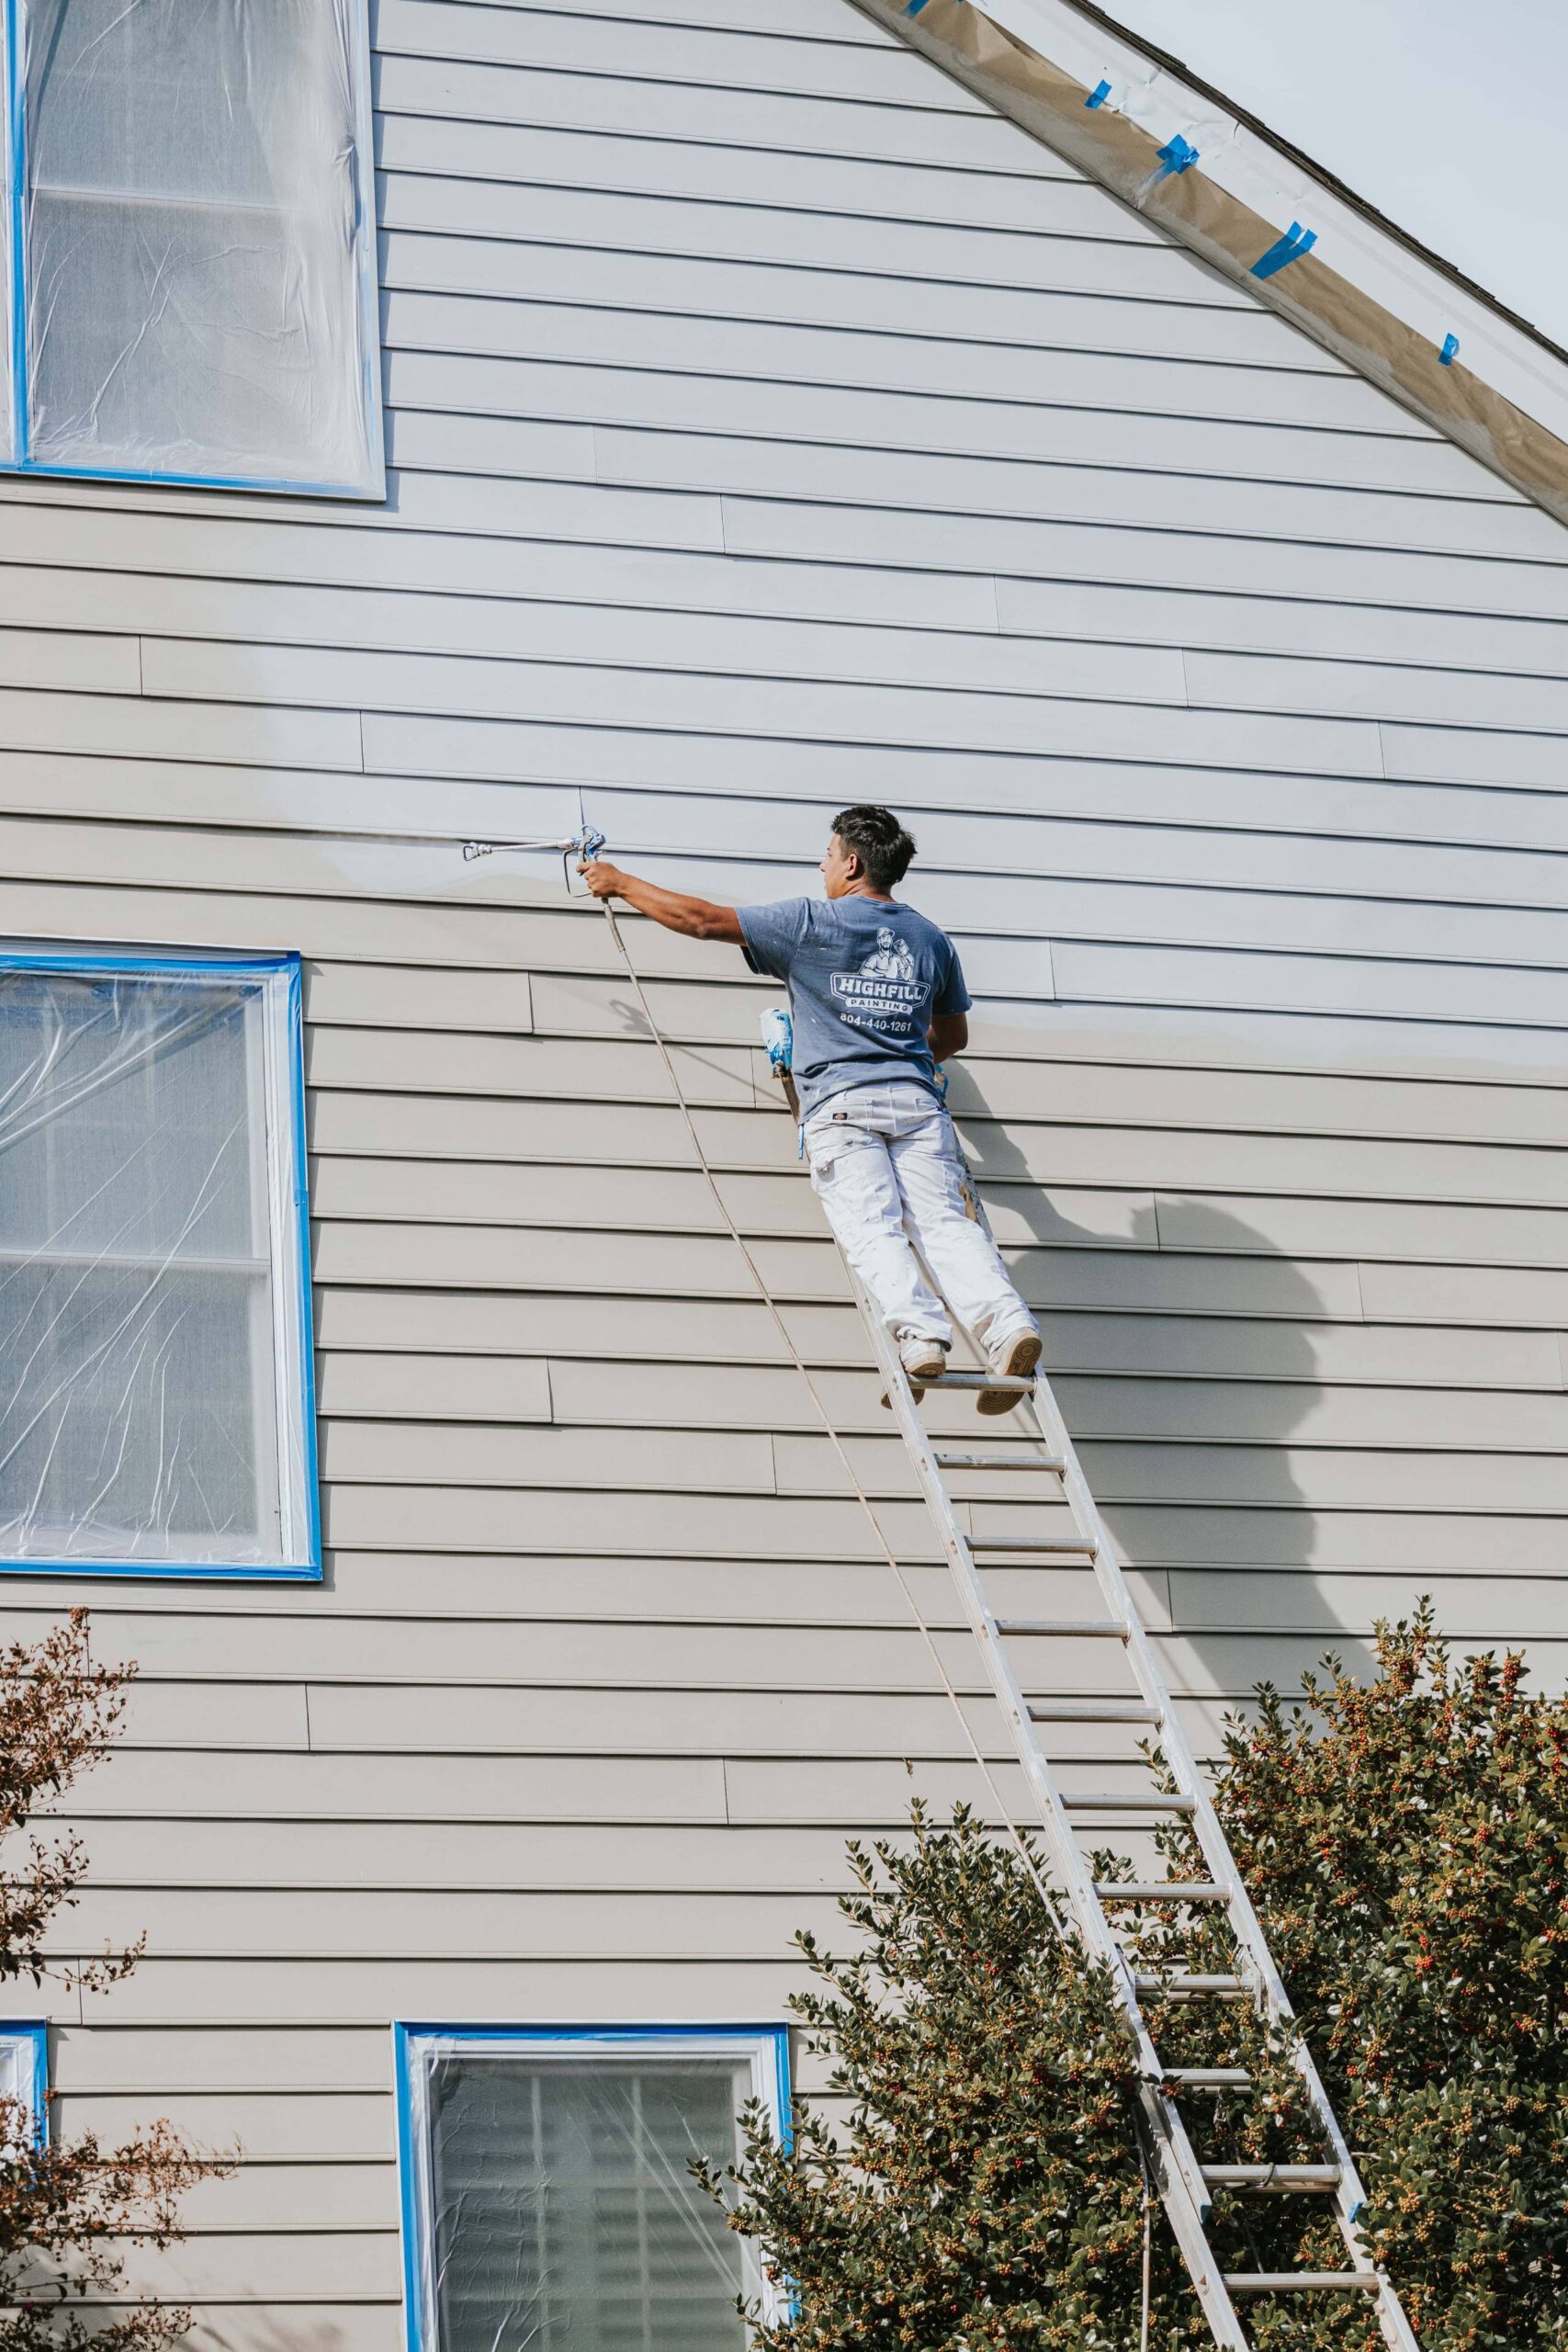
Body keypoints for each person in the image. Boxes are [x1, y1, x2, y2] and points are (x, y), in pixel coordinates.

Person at [580, 805, 1042, 1413]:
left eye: (826, 856)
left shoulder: (809, 923)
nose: (821, 866)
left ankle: (922, 1337)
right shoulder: (929, 937)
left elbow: (701, 921)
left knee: (872, 1226)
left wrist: (619, 883)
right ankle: (1006, 1329)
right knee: (945, 1225)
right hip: (915, 1103)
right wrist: (890, 1036)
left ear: (851, 863)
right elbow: (950, 1038)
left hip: (842, 1106)